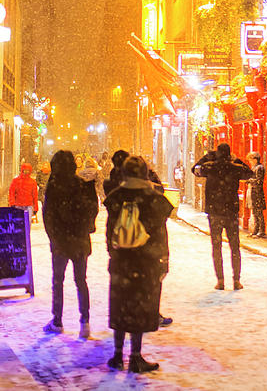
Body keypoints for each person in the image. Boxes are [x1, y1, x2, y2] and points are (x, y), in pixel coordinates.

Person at [104, 155, 173, 373]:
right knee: (139, 307)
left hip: (121, 262)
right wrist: (163, 260)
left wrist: (113, 253)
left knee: (120, 306)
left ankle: (116, 355)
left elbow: (109, 231)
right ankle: (135, 356)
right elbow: (161, 234)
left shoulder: (116, 197)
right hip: (145, 263)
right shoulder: (153, 198)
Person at [42, 149, 99, 338]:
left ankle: (57, 320)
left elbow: (48, 216)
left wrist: (54, 237)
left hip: (61, 242)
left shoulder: (54, 186)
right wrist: (84, 229)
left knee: (58, 281)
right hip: (80, 241)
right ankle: (85, 321)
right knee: (81, 281)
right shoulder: (81, 185)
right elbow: (92, 210)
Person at [192, 142, 253, 290]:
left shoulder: (209, 167)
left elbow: (195, 169)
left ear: (217, 153)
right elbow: (249, 173)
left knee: (216, 246)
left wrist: (207, 157)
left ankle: (220, 281)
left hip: (214, 212)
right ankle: (236, 281)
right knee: (234, 247)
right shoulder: (235, 168)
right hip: (231, 212)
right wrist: (236, 159)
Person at [247, 151, 266, 238]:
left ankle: (261, 231)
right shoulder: (254, 167)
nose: (250, 162)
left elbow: (259, 180)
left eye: (250, 160)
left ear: (255, 159)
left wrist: (249, 180)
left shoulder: (259, 168)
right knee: (254, 211)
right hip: (253, 191)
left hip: (257, 192)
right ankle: (256, 230)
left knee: (259, 211)